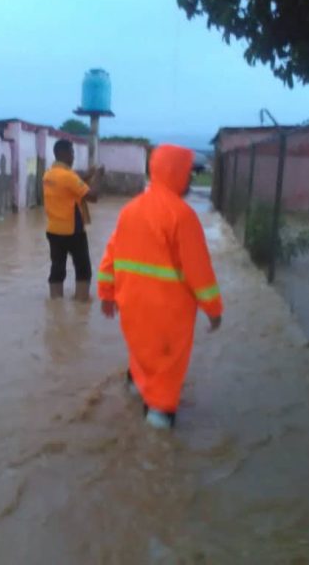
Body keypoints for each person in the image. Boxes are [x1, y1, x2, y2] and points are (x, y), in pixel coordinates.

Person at [97, 144, 223, 429]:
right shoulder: (182, 216)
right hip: (168, 316)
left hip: (132, 308)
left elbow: (110, 257)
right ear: (176, 173)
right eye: (188, 174)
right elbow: (199, 272)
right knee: (166, 372)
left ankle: (134, 389)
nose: (191, 180)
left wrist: (107, 294)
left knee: (141, 353)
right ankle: (157, 439)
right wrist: (213, 310)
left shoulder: (130, 210)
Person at [43, 139, 99, 301]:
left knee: (57, 268)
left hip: (53, 230)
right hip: (73, 230)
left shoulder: (49, 174)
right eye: (72, 152)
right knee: (83, 269)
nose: (73, 156)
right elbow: (93, 197)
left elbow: (75, 181)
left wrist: (89, 174)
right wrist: (99, 177)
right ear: (64, 153)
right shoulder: (68, 177)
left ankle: (55, 303)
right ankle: (81, 302)